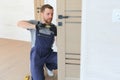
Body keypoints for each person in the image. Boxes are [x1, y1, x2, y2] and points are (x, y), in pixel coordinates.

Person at [17, 4, 57, 80]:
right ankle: (34, 68)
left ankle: (49, 66)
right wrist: (35, 27)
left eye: (52, 14)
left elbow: (58, 40)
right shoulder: (35, 23)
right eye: (48, 14)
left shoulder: (53, 27)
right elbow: (19, 23)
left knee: (63, 59)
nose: (50, 16)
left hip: (48, 53)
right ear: (42, 14)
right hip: (36, 55)